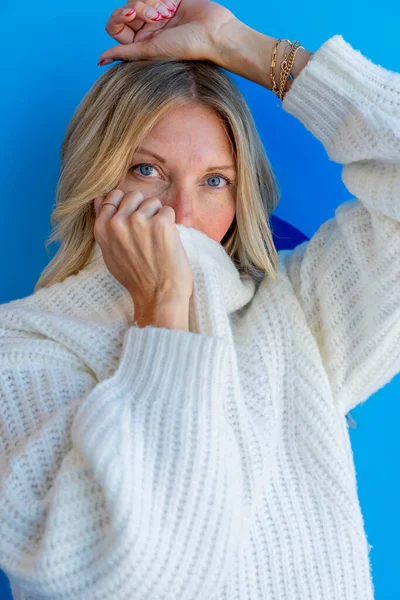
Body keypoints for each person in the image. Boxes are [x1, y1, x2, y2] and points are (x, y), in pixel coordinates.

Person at [0, 1, 399, 599]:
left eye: (216, 181)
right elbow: (111, 579)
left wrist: (240, 44)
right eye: (146, 170)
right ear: (94, 180)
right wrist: (163, 316)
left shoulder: (297, 314)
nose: (182, 214)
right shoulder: (23, 351)